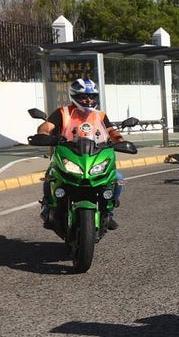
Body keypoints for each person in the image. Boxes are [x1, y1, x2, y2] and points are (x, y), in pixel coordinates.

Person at [36, 78, 131, 230]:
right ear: (74, 96)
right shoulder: (63, 112)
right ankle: (49, 205)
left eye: (92, 96)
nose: (88, 99)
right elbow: (45, 127)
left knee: (117, 177)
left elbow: (111, 131)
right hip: (68, 152)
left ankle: (108, 211)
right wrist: (46, 135)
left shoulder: (99, 114)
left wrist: (119, 140)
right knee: (51, 175)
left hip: (94, 153)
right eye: (83, 96)